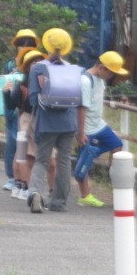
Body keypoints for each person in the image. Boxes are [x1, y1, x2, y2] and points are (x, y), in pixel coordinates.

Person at [27, 28, 79, 213]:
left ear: (47, 46)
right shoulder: (72, 69)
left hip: (47, 122)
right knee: (64, 161)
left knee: (41, 160)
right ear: (66, 48)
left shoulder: (38, 68)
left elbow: (33, 99)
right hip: (69, 122)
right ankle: (59, 202)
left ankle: (35, 193)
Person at [74, 51, 129, 207]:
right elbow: (81, 108)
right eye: (110, 73)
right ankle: (85, 195)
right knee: (83, 161)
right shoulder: (85, 81)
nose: (111, 76)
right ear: (101, 67)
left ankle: (112, 179)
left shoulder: (100, 80)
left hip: (99, 124)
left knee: (117, 145)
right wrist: (81, 132)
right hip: (87, 128)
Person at [4, 48, 52, 200]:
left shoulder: (43, 83)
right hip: (27, 120)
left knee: (25, 155)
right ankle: (24, 186)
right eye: (33, 62)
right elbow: (11, 105)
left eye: (39, 61)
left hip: (39, 121)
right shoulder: (23, 86)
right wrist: (6, 93)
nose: (37, 64)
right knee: (26, 155)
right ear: (27, 67)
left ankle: (21, 186)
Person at [1, 29, 40, 191]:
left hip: (32, 112)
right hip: (15, 110)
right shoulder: (10, 65)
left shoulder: (37, 63)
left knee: (27, 151)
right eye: (21, 44)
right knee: (13, 145)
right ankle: (13, 178)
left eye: (29, 44)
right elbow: (4, 86)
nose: (24, 47)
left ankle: (25, 182)